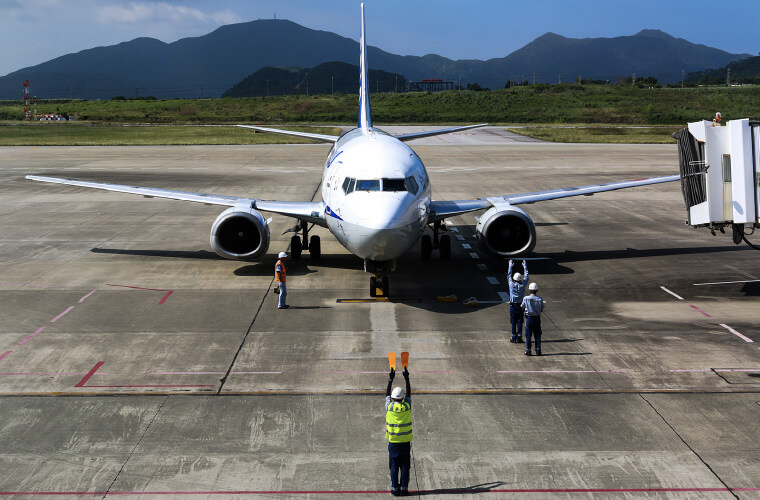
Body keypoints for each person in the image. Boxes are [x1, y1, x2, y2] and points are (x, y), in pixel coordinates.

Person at [385, 366, 412, 496]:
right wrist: (407, 378)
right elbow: (409, 395)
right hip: (405, 442)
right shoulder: (407, 407)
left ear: (392, 398)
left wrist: (391, 379)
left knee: (394, 466)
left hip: (393, 443)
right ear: (402, 398)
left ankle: (395, 488)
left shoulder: (389, 407)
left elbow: (386, 395)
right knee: (405, 467)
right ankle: (404, 488)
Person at [507, 259, 529, 343]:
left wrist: (510, 266)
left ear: (514, 279)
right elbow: (526, 277)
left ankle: (513, 337)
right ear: (520, 279)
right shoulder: (523, 286)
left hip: (513, 306)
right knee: (520, 322)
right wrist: (525, 267)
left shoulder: (511, 285)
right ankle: (519, 337)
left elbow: (509, 276)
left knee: (513, 322)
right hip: (520, 306)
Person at [521, 282, 545, 356]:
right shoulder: (540, 299)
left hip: (529, 318)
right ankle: (538, 350)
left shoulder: (526, 298)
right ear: (536, 290)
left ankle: (528, 350)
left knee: (528, 335)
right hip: (537, 319)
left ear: (529, 290)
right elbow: (541, 309)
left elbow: (522, 307)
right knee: (537, 335)